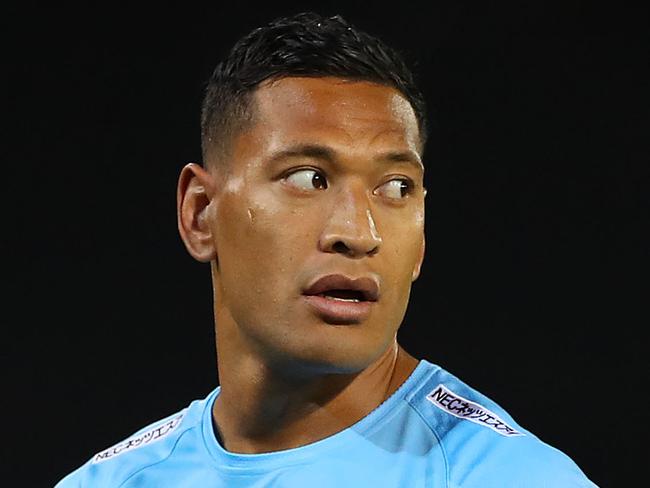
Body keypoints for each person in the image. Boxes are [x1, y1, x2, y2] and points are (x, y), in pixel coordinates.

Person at [55, 12, 597, 487]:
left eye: (396, 188)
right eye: (309, 178)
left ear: (422, 240)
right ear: (200, 213)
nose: (360, 233)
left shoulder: (509, 478)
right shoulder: (111, 482)